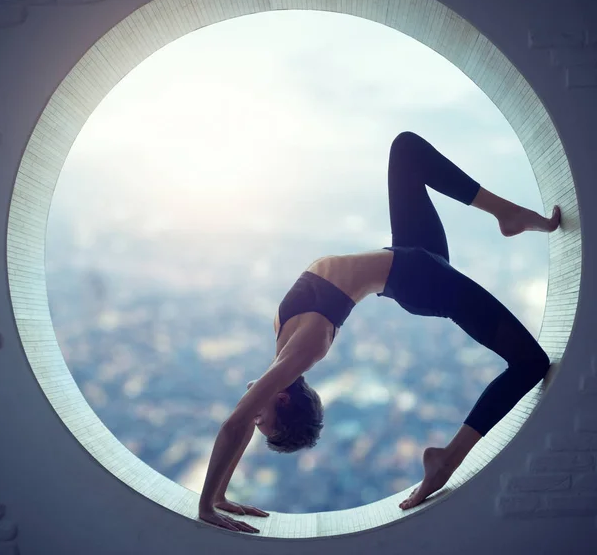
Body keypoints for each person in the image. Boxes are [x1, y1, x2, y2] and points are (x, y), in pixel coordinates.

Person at [197, 131, 561, 533]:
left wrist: (215, 497)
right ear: (281, 399)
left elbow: (239, 426)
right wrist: (208, 505)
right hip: (421, 281)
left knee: (406, 149)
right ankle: (449, 457)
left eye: (256, 423)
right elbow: (235, 425)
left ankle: (505, 214)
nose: (251, 417)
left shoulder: (286, 347)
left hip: (411, 261)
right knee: (531, 363)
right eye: (260, 421)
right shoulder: (305, 351)